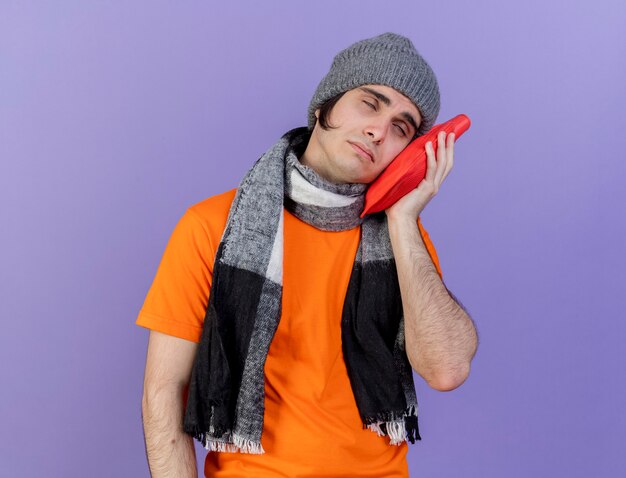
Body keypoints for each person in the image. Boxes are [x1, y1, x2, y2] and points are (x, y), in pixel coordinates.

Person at [137, 32, 478, 477]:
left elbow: (446, 370)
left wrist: (402, 220)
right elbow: (165, 391)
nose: (379, 130)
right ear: (324, 106)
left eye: (402, 127)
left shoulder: (404, 240)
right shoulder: (211, 226)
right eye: (369, 104)